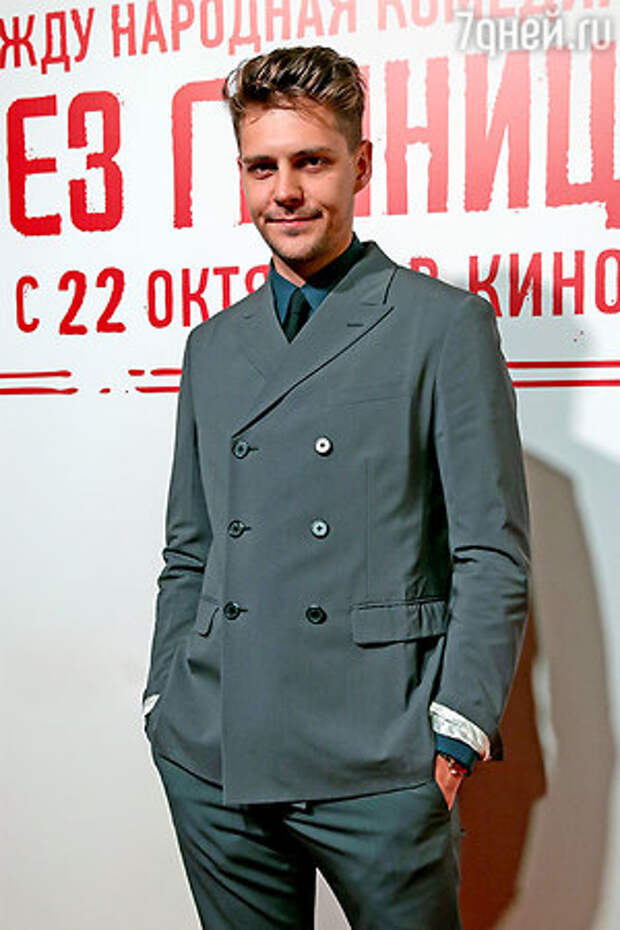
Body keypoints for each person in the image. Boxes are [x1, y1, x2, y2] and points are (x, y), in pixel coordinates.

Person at [142, 45, 530, 930]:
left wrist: (456, 731)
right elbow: (190, 548)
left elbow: (491, 551)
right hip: (216, 748)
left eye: (310, 162)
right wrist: (167, 701)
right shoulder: (213, 345)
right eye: (262, 167)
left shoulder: (442, 325)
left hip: (379, 759)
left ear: (360, 164)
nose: (285, 192)